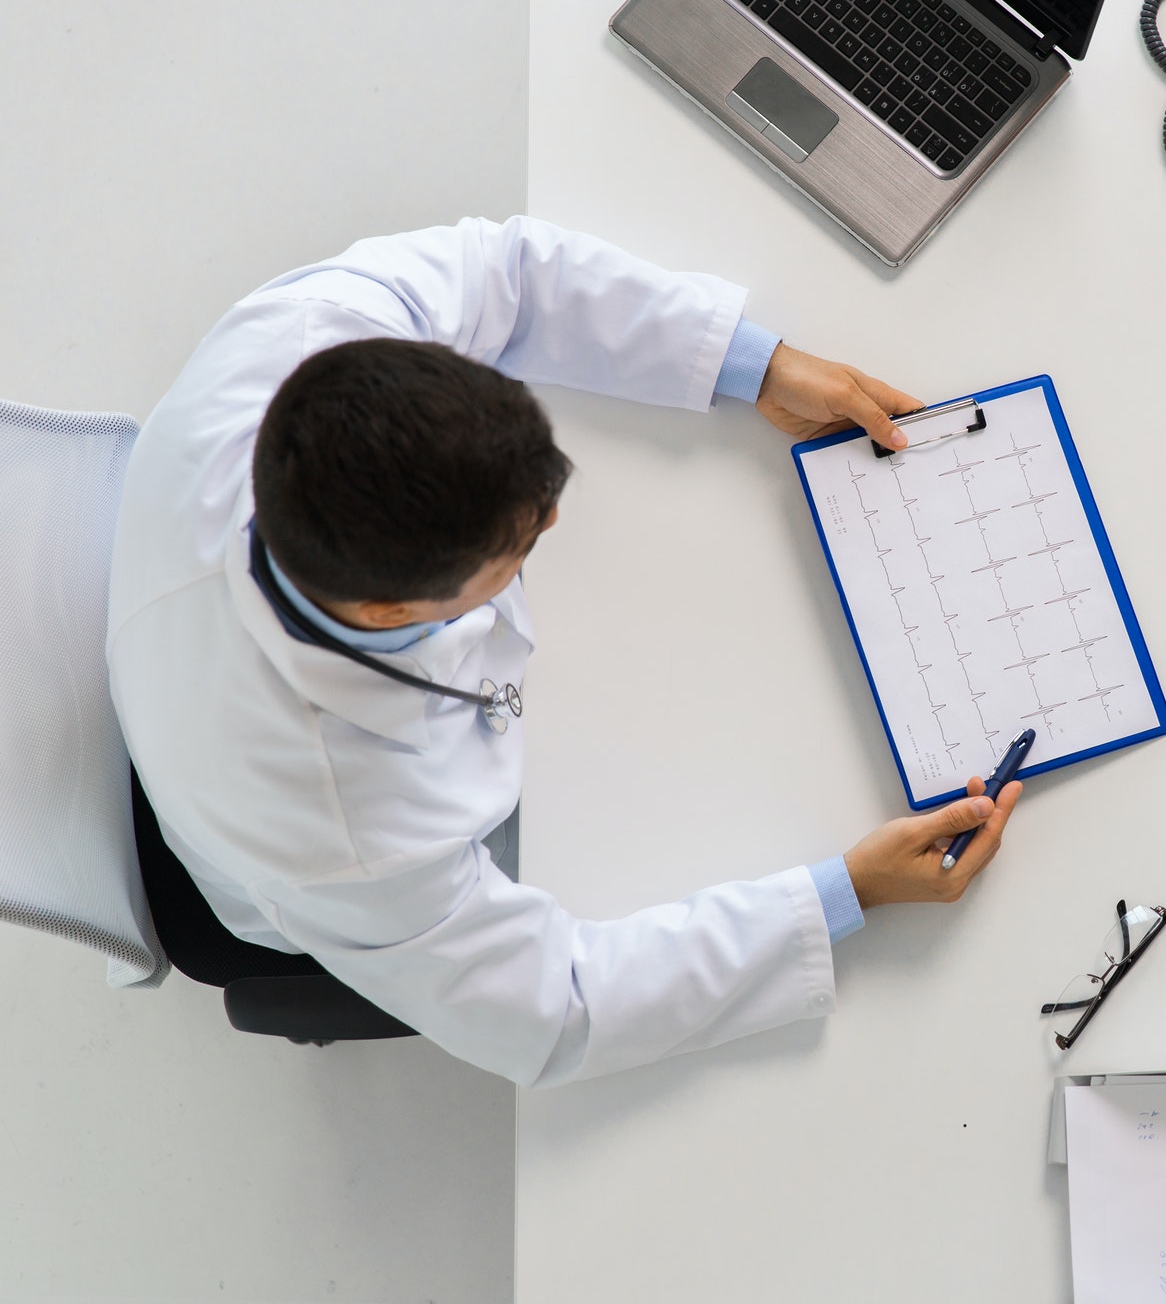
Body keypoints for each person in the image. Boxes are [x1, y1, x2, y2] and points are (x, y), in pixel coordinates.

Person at [107, 216, 1021, 1087]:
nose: (550, 524)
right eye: (519, 550)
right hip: (263, 847)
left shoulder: (305, 337)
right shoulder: (356, 832)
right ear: (390, 609)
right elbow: (562, 1009)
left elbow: (506, 276)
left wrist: (756, 362)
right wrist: (844, 892)